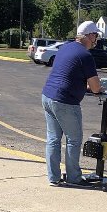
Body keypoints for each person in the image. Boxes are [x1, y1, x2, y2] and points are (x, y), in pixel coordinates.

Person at [41, 20, 103, 187]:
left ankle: (53, 178)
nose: (96, 39)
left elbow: (67, 72)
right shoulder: (85, 55)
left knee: (53, 139)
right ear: (89, 36)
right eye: (95, 35)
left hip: (48, 96)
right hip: (65, 101)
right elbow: (96, 87)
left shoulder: (65, 48)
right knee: (74, 139)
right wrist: (97, 88)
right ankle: (73, 178)